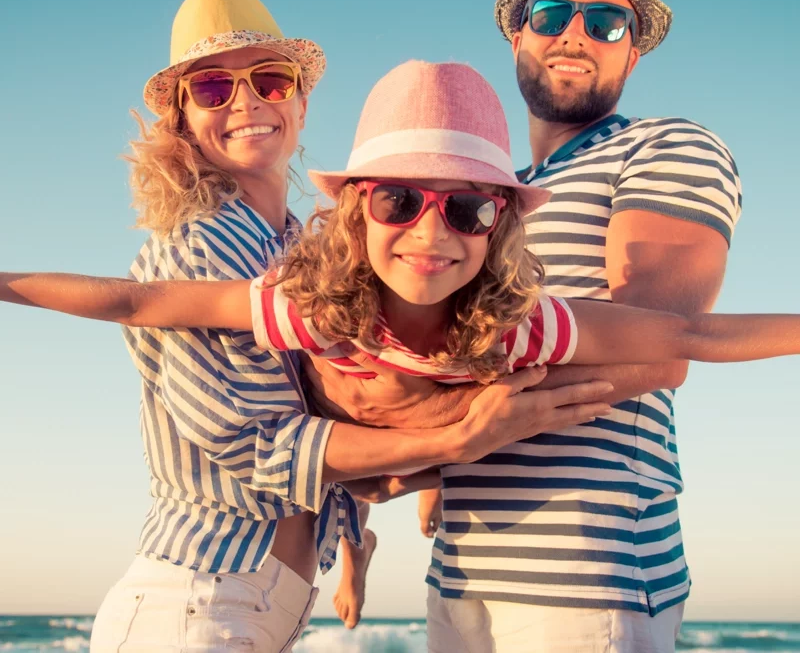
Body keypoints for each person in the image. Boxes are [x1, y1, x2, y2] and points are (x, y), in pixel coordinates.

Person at [3, 59, 793, 653]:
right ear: (356, 210)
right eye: (400, 201)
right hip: (221, 575)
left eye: (468, 209)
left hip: (498, 542)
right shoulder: (315, 306)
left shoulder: (515, 329)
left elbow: (688, 336)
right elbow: (138, 301)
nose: (430, 233)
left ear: (499, 225)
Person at [419, 0, 744, 652]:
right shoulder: (497, 193)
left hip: (589, 571)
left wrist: (445, 418)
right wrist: (440, 456)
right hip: (461, 572)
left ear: (634, 51)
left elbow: (657, 348)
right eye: (551, 14)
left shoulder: (665, 146)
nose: (574, 35)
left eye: (605, 22)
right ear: (517, 34)